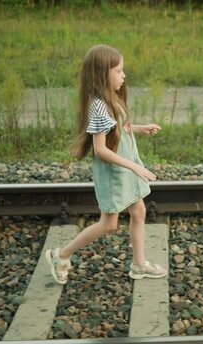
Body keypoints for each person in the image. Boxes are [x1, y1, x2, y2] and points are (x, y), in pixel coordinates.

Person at [45, 44, 167, 285]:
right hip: (115, 173)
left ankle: (139, 264)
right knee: (109, 224)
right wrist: (134, 167)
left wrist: (141, 128)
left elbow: (120, 128)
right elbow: (100, 150)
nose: (124, 76)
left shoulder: (112, 98)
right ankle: (61, 255)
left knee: (139, 211)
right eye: (119, 71)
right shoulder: (99, 106)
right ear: (103, 74)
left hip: (126, 168)